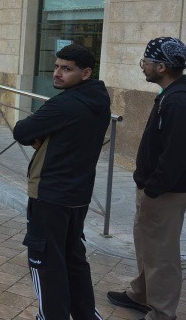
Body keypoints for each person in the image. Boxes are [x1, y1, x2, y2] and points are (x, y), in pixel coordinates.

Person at [13, 44, 111, 319]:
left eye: (66, 69)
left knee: (44, 261)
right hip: (78, 194)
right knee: (73, 259)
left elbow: (21, 131)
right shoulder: (99, 102)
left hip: (50, 194)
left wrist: (41, 130)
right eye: (56, 66)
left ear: (86, 72)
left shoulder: (64, 104)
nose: (57, 73)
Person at [107, 37, 186, 319]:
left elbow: (176, 153)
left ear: (162, 66)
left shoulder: (178, 100)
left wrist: (154, 187)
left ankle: (163, 312)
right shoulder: (172, 93)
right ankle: (140, 294)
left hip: (164, 192)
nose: (144, 67)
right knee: (147, 245)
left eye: (147, 62)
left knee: (161, 254)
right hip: (157, 188)